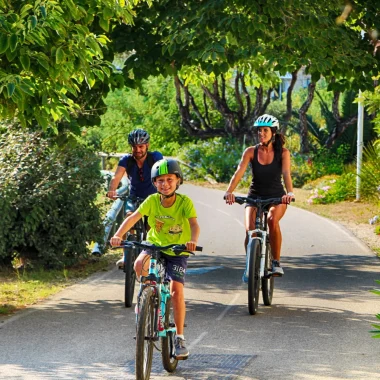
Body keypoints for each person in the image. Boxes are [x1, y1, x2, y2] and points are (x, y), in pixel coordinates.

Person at [110, 158, 200, 359]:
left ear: (178, 181)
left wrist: (192, 241)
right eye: (160, 180)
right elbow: (132, 218)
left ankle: (179, 337)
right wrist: (118, 235)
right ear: (154, 183)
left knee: (176, 290)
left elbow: (194, 225)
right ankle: (145, 297)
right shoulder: (151, 201)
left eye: (169, 179)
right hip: (155, 245)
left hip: (177, 250)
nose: (165, 184)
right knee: (138, 264)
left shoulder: (184, 202)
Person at [224, 114, 295, 277]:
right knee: (251, 231)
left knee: (272, 219)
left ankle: (276, 262)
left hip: (276, 197)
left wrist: (289, 193)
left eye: (265, 130)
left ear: (273, 133)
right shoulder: (251, 151)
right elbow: (239, 172)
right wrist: (229, 192)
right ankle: (250, 264)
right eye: (259, 130)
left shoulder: (283, 152)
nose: (261, 133)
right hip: (255, 196)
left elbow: (286, 173)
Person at [107, 128, 163, 266]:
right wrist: (112, 189)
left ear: (147, 145)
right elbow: (116, 177)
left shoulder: (155, 157)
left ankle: (150, 258)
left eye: (141, 146)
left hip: (153, 198)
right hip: (134, 198)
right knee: (129, 219)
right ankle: (126, 256)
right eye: (134, 147)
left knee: (151, 226)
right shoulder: (127, 160)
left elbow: (163, 173)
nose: (137, 150)